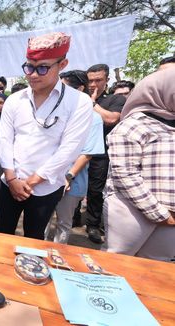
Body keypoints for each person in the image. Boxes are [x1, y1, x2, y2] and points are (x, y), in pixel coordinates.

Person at [0, 32, 92, 240]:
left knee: (34, 238)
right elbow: (5, 142)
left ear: (63, 64)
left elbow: (69, 150)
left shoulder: (79, 102)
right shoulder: (14, 100)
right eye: (29, 66)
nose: (32, 74)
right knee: (3, 234)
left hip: (46, 187)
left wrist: (32, 181)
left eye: (42, 68)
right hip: (10, 183)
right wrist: (12, 179)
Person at [103, 68, 175, 261]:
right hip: (133, 211)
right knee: (117, 265)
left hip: (171, 216)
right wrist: (159, 213)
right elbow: (125, 175)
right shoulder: (132, 126)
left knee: (155, 271)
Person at [45, 70, 104, 244]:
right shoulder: (55, 111)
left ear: (79, 88)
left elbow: (87, 154)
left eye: (64, 88)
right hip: (48, 178)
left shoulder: (94, 118)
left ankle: (56, 258)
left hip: (72, 182)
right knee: (43, 220)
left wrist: (69, 176)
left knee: (63, 222)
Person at [85, 64, 126, 244]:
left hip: (100, 154)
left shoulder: (115, 100)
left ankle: (93, 224)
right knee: (73, 187)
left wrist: (92, 103)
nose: (93, 84)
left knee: (95, 190)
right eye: (90, 80)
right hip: (78, 152)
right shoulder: (79, 98)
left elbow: (111, 119)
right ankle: (72, 218)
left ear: (107, 80)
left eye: (98, 80)